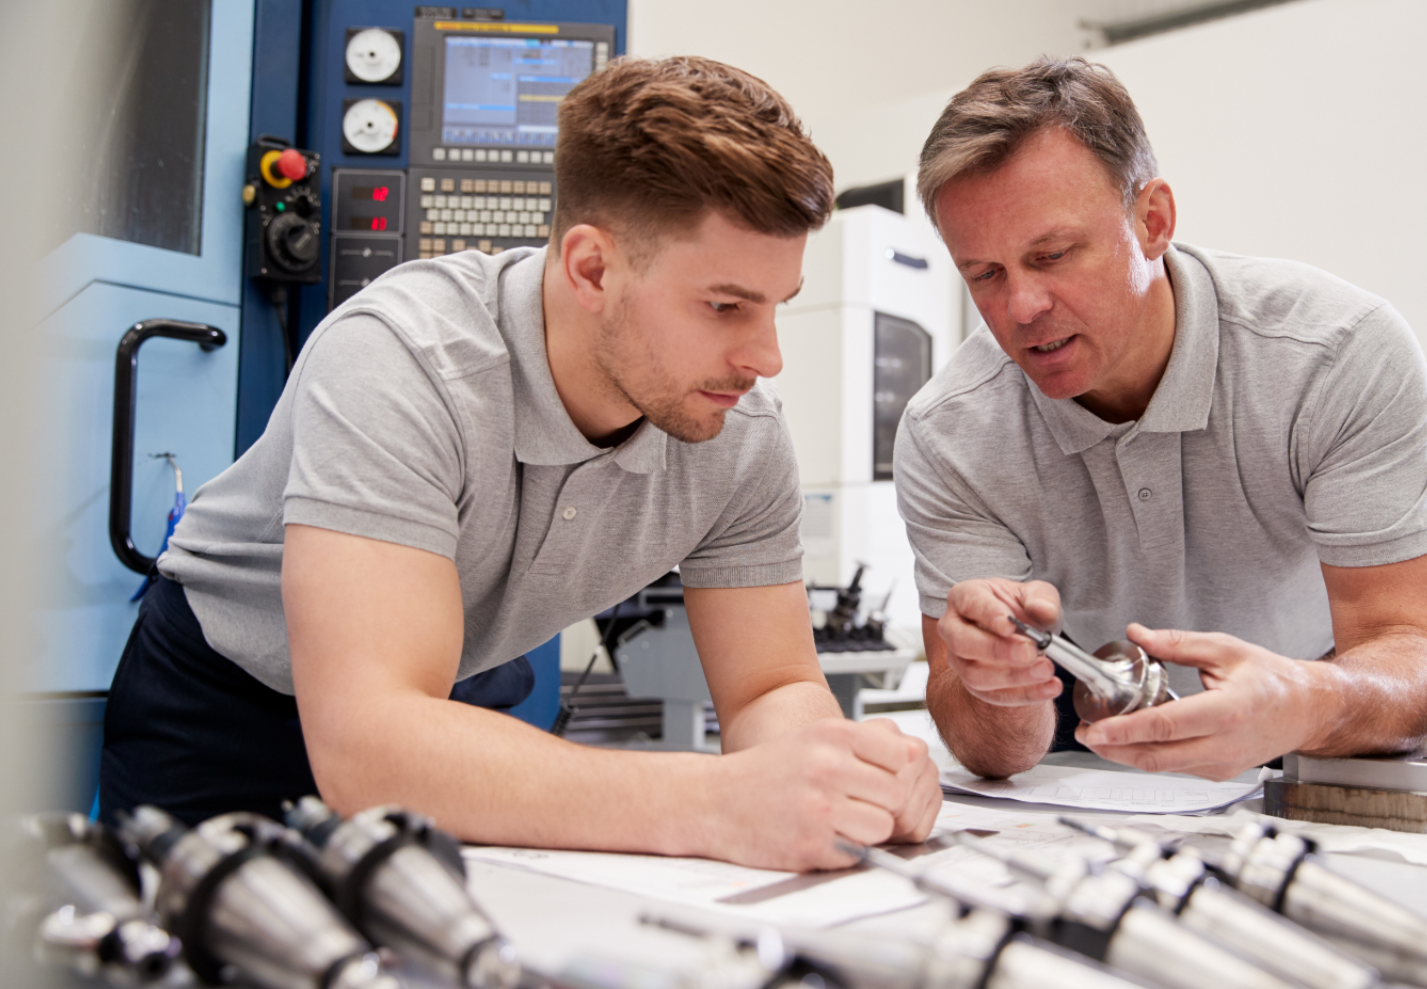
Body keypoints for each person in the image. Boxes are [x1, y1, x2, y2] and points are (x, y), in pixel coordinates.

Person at [99, 56, 940, 871]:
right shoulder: (403, 358)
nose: (766, 358)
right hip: (230, 704)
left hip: (439, 705)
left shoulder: (741, 434)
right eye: (725, 306)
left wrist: (843, 777)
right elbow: (372, 751)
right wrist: (717, 800)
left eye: (776, 307)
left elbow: (768, 691)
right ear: (592, 268)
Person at [896, 57, 1427, 782]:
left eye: (1054, 254)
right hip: (1101, 762)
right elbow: (989, 750)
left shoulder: (1336, 355)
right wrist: (994, 686)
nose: (1022, 308)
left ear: (1152, 220)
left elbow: (1409, 652)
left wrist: (1301, 701)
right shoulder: (951, 433)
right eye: (986, 275)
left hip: (1325, 739)